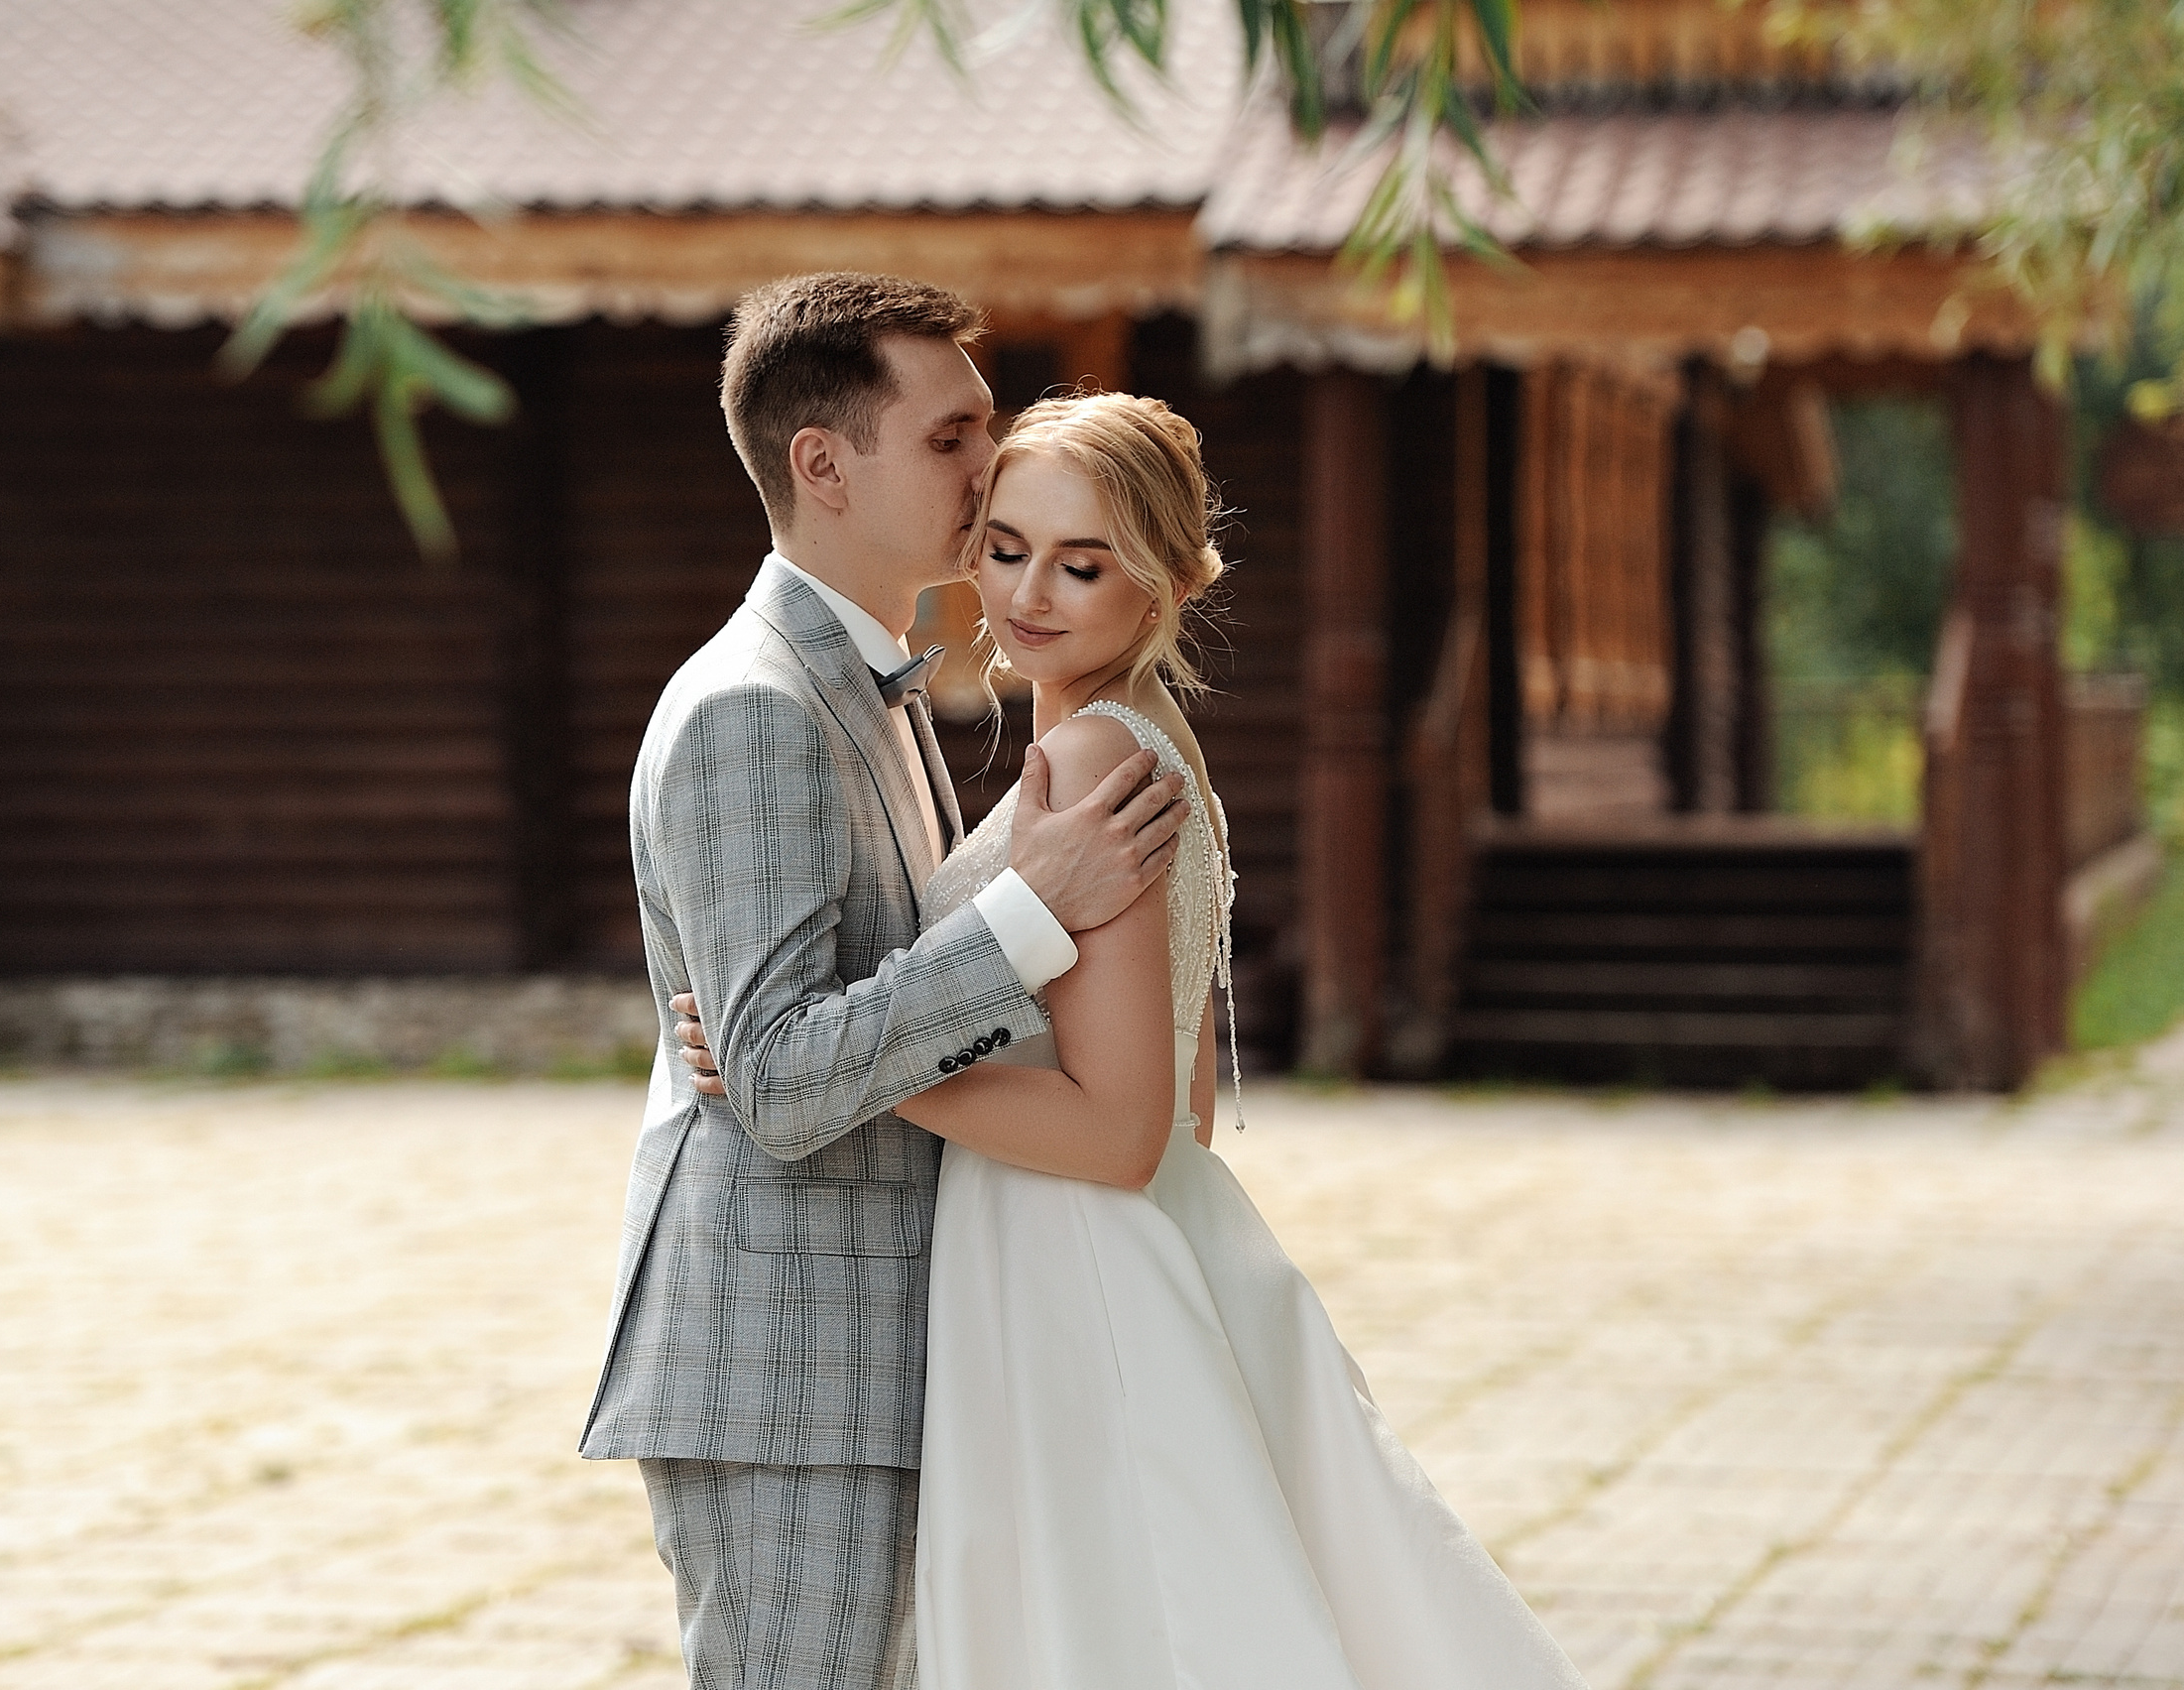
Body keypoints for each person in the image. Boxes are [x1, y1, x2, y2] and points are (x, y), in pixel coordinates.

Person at [679, 392, 1593, 1689]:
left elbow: (1120, 1133)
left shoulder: (1091, 764)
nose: (1029, 591)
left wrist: (844, 1075)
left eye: (1082, 562)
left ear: (1162, 581)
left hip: (1068, 1260)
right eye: (1004, 547)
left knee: (1116, 1627)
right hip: (1111, 1241)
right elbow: (1193, 1105)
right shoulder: (1139, 737)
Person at [579, 273, 1193, 1690]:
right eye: (950, 437)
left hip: (889, 1352)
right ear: (821, 463)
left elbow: (804, 1017)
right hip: (789, 1371)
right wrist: (1033, 913)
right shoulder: (755, 705)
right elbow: (785, 1082)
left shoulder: (877, 690)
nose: (991, 467)